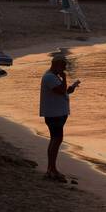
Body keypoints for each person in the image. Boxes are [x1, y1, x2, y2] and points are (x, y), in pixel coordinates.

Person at [39, 54, 79, 182]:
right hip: (54, 114)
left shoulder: (53, 76)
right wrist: (65, 79)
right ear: (56, 65)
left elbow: (61, 91)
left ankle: (51, 168)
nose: (64, 69)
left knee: (55, 140)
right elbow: (60, 91)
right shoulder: (49, 77)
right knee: (56, 140)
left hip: (57, 113)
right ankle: (51, 169)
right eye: (63, 66)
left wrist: (70, 89)